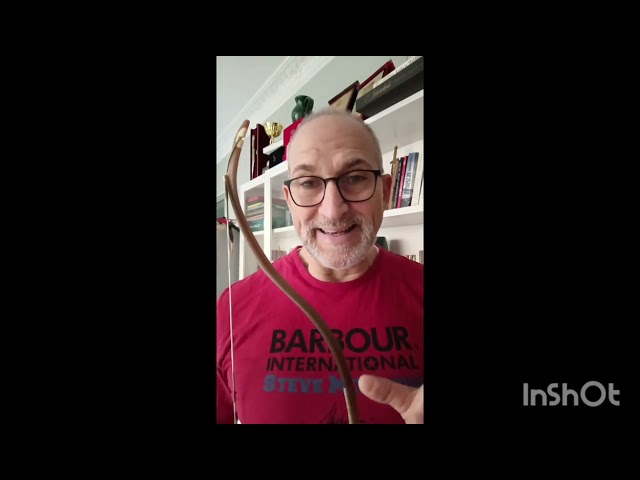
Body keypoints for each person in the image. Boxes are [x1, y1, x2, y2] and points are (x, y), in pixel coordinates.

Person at [217, 109, 423, 424]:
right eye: (309, 182)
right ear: (289, 199)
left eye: (355, 178)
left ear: (384, 192)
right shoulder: (232, 309)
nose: (333, 210)